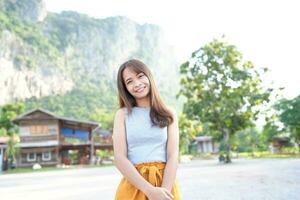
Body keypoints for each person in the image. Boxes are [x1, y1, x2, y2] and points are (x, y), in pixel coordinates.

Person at [113, 59, 181, 200]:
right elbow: (120, 158)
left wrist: (164, 192)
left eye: (140, 76)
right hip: (134, 185)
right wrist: (149, 191)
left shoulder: (169, 113)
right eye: (129, 81)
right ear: (125, 88)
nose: (137, 84)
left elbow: (173, 155)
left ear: (149, 76)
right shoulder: (122, 115)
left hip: (165, 183)